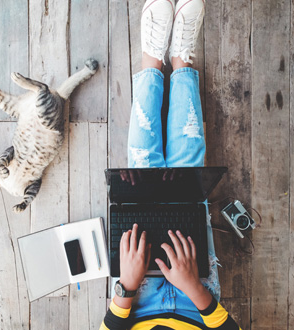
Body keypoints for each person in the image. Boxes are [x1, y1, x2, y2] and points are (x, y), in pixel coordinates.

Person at [100, 0, 241, 329]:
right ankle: (181, 58)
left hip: (138, 298)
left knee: (142, 168)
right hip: (197, 298)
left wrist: (128, 285)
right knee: (189, 179)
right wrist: (191, 284)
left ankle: (152, 57)